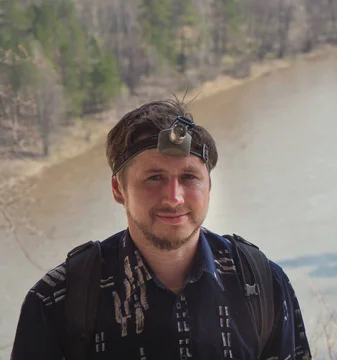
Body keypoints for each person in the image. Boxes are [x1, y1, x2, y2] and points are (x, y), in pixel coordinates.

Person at [10, 99, 313, 360]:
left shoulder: (261, 285)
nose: (174, 198)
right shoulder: (59, 301)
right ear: (119, 189)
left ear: (209, 185)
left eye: (190, 177)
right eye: (154, 177)